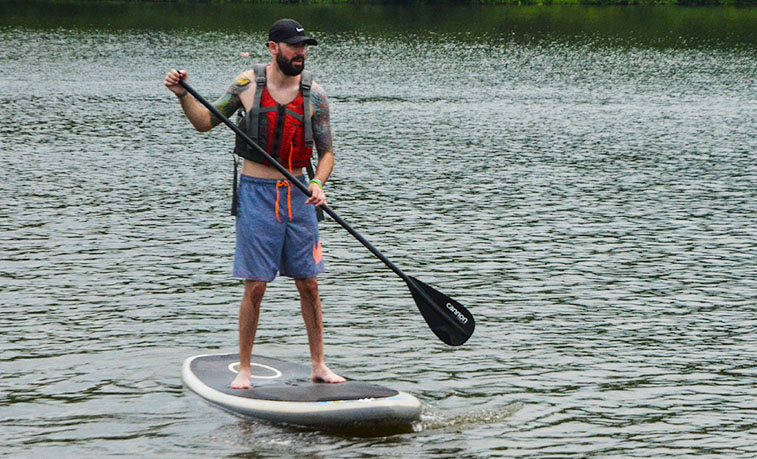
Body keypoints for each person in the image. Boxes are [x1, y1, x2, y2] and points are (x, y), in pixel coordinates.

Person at [163, 18, 345, 388]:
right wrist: (183, 94)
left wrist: (317, 183)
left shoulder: (316, 95)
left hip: (299, 195)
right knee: (256, 285)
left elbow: (327, 154)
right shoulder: (247, 86)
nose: (301, 53)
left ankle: (319, 365)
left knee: (309, 283)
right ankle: (244, 368)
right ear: (273, 48)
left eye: (304, 47)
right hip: (257, 194)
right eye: (294, 47)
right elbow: (203, 123)